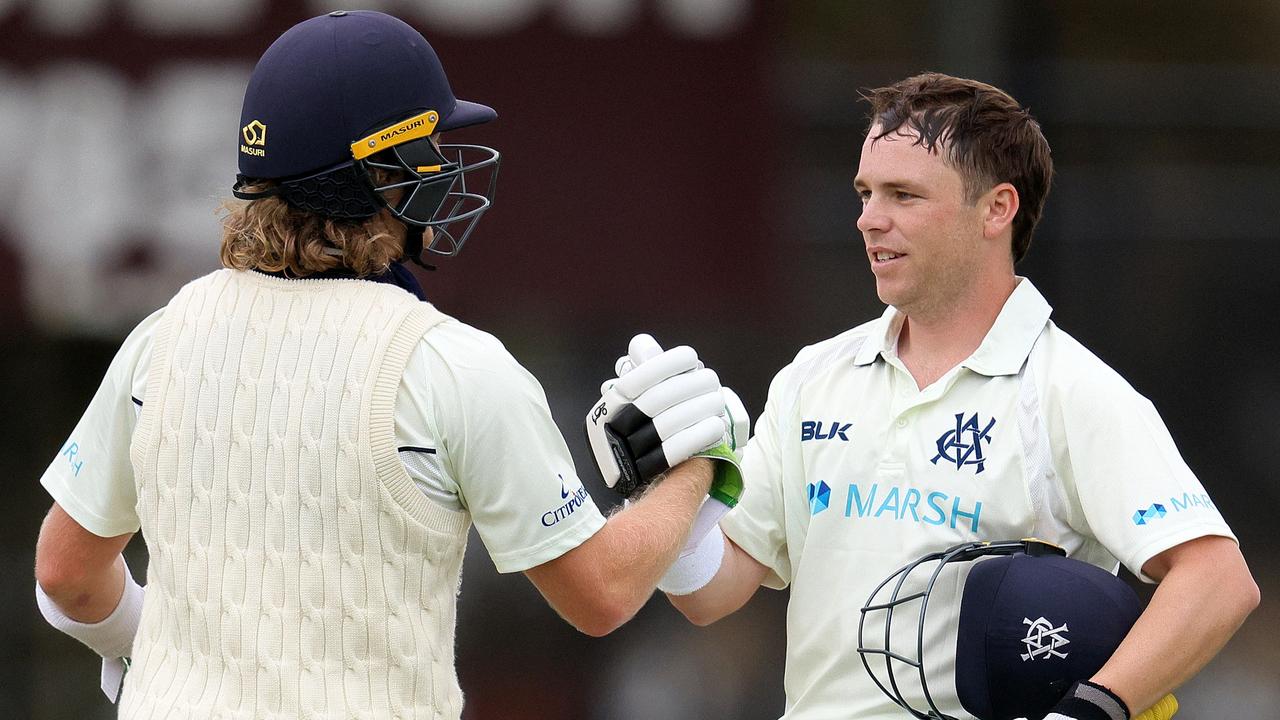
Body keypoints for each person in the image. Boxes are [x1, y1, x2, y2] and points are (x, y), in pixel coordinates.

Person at [32, 11, 738, 718]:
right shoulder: (452, 366)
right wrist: (695, 469)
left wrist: (145, 647)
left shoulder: (163, 338)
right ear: (378, 173)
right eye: (428, 147)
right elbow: (601, 594)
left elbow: (66, 574)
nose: (442, 165)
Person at [638, 73, 1259, 720]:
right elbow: (713, 592)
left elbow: (1217, 582)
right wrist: (669, 492)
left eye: (903, 195)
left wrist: (1095, 707)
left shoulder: (1072, 391)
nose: (868, 219)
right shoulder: (814, 376)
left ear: (997, 209)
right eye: (865, 193)